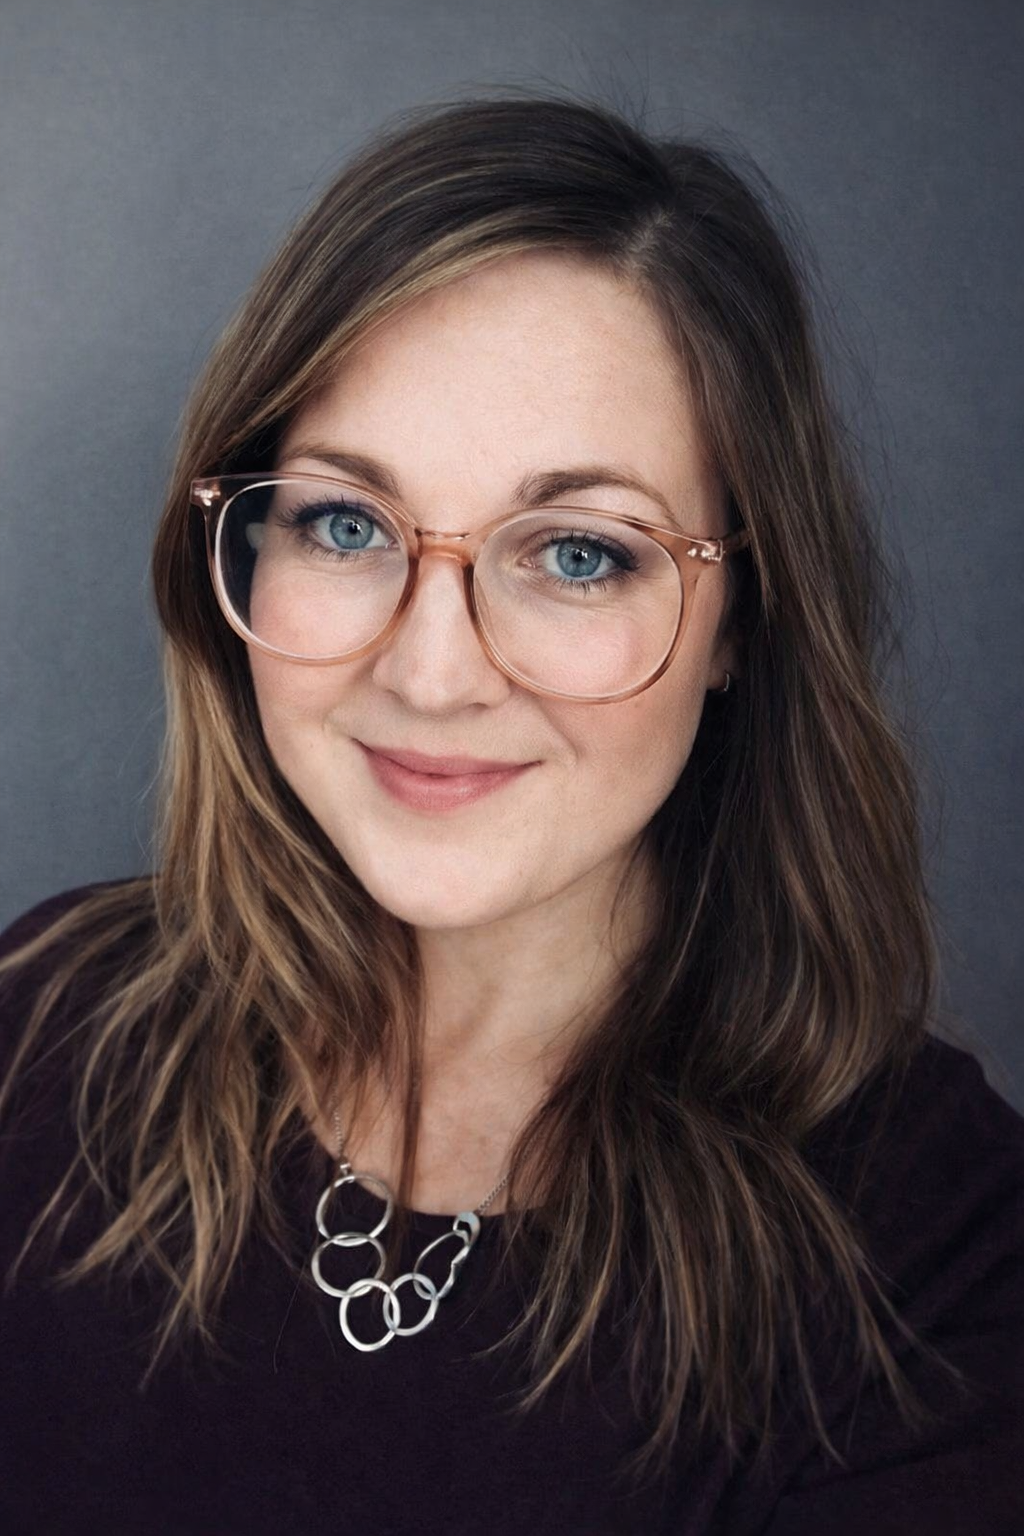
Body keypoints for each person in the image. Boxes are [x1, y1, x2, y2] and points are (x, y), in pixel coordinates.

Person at [0, 90, 1021, 1536]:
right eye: (345, 523)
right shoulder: (42, 1028)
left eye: (579, 555)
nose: (432, 674)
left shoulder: (938, 1253)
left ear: (743, 617)